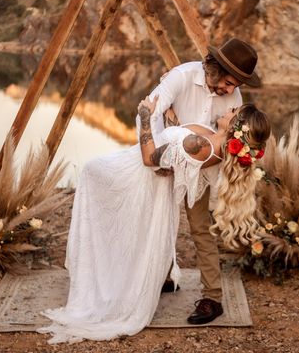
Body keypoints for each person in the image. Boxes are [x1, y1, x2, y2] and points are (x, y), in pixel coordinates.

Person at [38, 99, 271, 344]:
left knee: (89, 172)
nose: (229, 108)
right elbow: (179, 144)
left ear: (236, 126)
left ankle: (106, 279)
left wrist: (146, 117)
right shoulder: (212, 139)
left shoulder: (202, 145)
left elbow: (150, 159)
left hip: (138, 173)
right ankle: (123, 274)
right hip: (148, 174)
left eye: (234, 111)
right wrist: (171, 118)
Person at [145, 37, 262, 324]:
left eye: (236, 85)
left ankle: (212, 298)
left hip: (201, 169)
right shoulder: (181, 77)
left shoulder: (233, 98)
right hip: (162, 158)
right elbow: (149, 113)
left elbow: (226, 141)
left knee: (200, 229)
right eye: (228, 82)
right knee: (159, 220)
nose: (230, 90)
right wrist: (159, 156)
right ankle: (165, 277)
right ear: (214, 67)